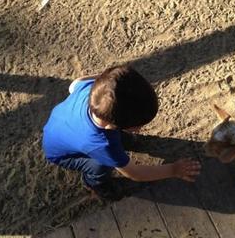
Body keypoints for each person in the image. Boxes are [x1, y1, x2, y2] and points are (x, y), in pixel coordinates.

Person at [42, 65, 201, 199]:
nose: (139, 129)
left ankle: (122, 140)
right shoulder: (102, 144)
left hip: (60, 126)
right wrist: (173, 169)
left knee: (118, 143)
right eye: (138, 126)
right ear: (114, 125)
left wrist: (108, 81)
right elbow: (135, 173)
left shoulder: (94, 90)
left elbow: (74, 84)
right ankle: (95, 184)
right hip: (62, 154)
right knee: (102, 164)